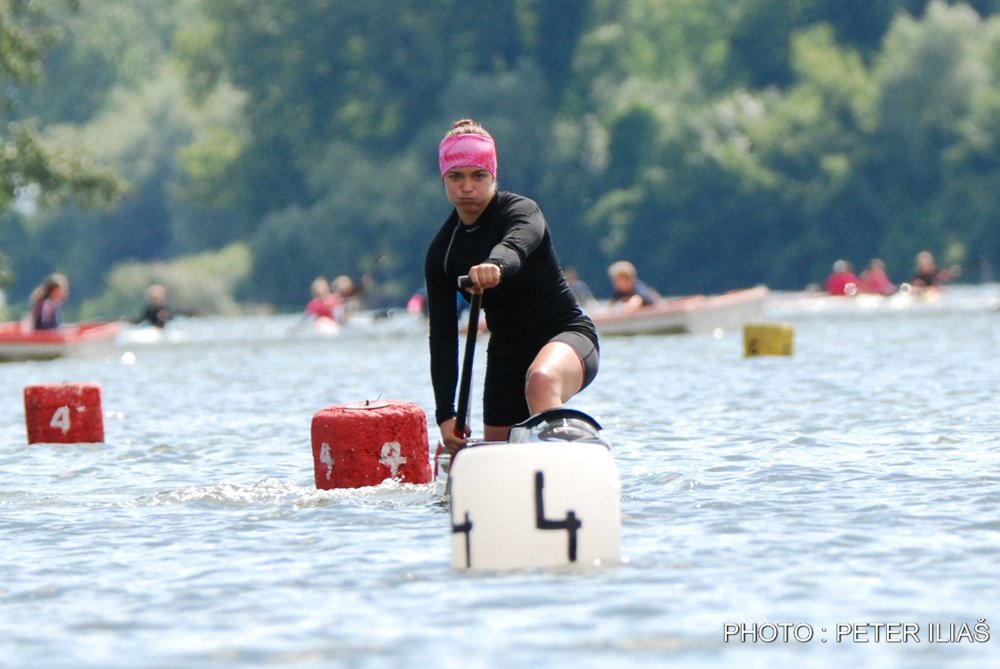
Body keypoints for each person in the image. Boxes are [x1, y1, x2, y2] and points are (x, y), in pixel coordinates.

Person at [425, 119, 600, 455]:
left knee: (542, 380)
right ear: (443, 179)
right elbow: (443, 338)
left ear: (493, 176)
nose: (467, 187)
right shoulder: (442, 253)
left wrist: (496, 265)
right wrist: (446, 414)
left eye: (478, 176)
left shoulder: (522, 211)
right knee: (497, 455)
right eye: (455, 177)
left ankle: (565, 474)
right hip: (505, 356)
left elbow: (516, 247)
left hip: (565, 335)